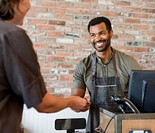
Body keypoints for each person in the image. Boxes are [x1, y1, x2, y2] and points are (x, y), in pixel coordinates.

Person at [0, 0, 90, 133]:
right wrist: (71, 101)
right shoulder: (13, 36)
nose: (29, 4)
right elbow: (43, 104)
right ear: (14, 2)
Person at [71, 16, 141, 132]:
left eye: (102, 33)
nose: (97, 38)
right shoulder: (83, 66)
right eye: (93, 35)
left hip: (123, 126)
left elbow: (141, 98)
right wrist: (78, 105)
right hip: (95, 125)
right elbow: (75, 99)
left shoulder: (128, 62)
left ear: (110, 33)